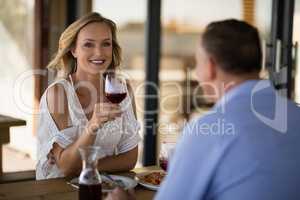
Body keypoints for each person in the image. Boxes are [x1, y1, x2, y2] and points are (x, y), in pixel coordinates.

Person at [106, 19, 300, 200]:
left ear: (211, 67)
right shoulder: (295, 115)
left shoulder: (209, 131)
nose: (198, 74)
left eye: (198, 63)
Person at [36, 12, 141, 180]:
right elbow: (65, 168)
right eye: (88, 45)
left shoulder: (123, 90)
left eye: (106, 44)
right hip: (57, 190)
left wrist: (85, 166)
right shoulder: (59, 94)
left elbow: (129, 159)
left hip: (103, 186)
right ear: (73, 50)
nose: (99, 53)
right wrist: (93, 125)